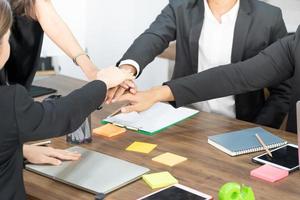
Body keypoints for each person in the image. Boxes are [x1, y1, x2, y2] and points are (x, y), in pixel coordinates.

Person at [0, 1, 133, 198]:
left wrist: (18, 150)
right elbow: (60, 116)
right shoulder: (8, 103)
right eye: (6, 40)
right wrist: (102, 83)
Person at [111, 0, 292, 129]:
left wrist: (259, 129)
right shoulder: (180, 5)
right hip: (184, 120)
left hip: (239, 125)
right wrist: (127, 70)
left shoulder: (269, 17)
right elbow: (154, 37)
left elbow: (284, 88)